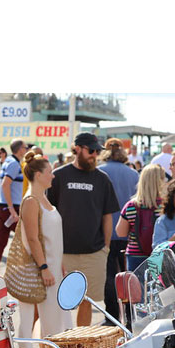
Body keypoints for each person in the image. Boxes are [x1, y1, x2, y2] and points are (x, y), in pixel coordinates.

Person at [47, 132, 119, 327]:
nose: (95, 154)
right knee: (58, 303)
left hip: (94, 253)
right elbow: (47, 212)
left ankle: (81, 345)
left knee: (86, 302)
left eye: (97, 151)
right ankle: (57, 344)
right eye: (91, 150)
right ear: (77, 149)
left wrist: (105, 248)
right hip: (62, 253)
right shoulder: (59, 176)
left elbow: (107, 215)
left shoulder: (102, 179)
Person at [14, 152, 72, 342]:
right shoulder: (31, 201)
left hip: (53, 269)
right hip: (41, 270)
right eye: (49, 172)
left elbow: (51, 237)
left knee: (56, 320)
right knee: (37, 319)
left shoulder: (44, 198)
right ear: (38, 175)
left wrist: (59, 264)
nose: (53, 175)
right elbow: (32, 239)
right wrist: (44, 267)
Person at [98, 138, 139, 321]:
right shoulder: (132, 174)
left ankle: (112, 316)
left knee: (109, 276)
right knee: (128, 275)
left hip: (105, 232)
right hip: (128, 231)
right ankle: (131, 313)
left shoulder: (99, 172)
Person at [115, 164, 166, 271]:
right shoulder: (165, 206)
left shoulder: (131, 206)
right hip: (160, 255)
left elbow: (121, 232)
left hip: (135, 255)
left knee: (136, 287)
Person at [0, 139, 27, 275]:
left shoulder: (9, 161)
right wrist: (11, 209)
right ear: (20, 149)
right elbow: (5, 184)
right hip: (8, 208)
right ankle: (22, 273)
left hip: (3, 206)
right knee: (26, 239)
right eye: (25, 147)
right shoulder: (14, 164)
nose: (27, 149)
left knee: (1, 241)